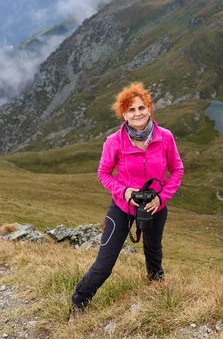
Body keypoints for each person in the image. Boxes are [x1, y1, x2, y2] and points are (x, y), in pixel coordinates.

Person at [69, 82, 184, 323]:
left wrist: (162, 197)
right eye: (131, 110)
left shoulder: (165, 138)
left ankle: (157, 294)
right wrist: (125, 192)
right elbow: (103, 173)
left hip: (154, 206)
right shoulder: (114, 141)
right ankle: (79, 302)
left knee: (153, 253)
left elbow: (176, 170)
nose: (138, 113)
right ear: (124, 114)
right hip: (122, 207)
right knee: (105, 262)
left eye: (142, 107)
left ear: (150, 109)